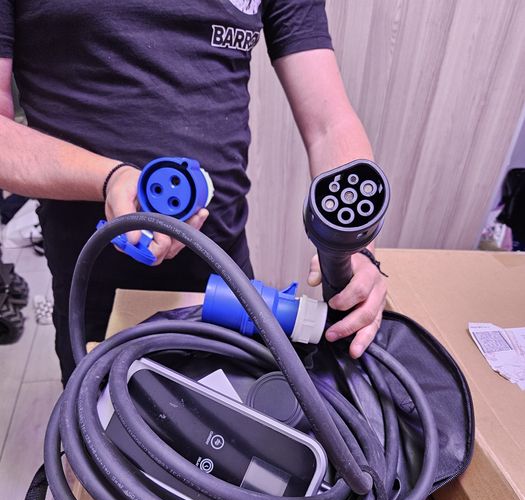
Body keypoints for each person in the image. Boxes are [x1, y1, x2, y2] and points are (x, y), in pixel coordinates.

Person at [0, 0, 387, 383]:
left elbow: (329, 124)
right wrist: (110, 177)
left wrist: (355, 247)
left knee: (241, 411)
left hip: (225, 275)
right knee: (98, 413)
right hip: (93, 282)